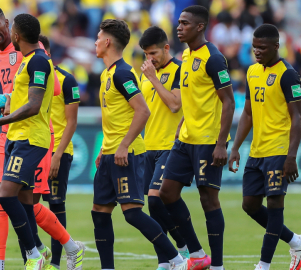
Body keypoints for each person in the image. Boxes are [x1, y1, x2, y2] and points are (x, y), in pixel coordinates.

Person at [0, 13, 84, 270]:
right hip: (12, 135)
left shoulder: (38, 59)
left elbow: (36, 102)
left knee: (11, 197)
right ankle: (49, 250)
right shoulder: (16, 60)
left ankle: (36, 252)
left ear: (13, 30)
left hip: (33, 137)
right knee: (11, 198)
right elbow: (19, 98)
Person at [92, 19, 188, 270]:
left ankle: (177, 260)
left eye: (98, 37)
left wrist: (123, 146)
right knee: (99, 212)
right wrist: (104, 148)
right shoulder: (107, 73)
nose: (95, 42)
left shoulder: (123, 73)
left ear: (108, 42)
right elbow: (115, 117)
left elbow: (142, 111)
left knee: (132, 213)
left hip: (126, 154)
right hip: (110, 153)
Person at [228, 23, 301, 270]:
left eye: (262, 47)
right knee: (249, 205)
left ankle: (263, 265)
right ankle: (296, 241)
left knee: (275, 204)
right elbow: (248, 112)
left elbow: (297, 117)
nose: (257, 51)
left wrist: (291, 156)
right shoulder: (252, 72)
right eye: (254, 47)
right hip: (256, 151)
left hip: (279, 150)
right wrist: (235, 147)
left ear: (276, 46)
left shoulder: (288, 74)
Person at [159, 5, 236, 270]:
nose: (178, 27)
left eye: (184, 23)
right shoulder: (185, 55)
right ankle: (198, 253)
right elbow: (190, 99)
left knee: (208, 199)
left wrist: (221, 143)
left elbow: (228, 102)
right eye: (178, 23)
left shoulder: (214, 58)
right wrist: (181, 125)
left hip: (207, 141)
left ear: (200, 26)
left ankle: (218, 265)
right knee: (166, 193)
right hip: (185, 140)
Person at [138, 26, 188, 270]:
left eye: (154, 53)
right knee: (152, 206)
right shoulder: (145, 74)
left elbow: (175, 105)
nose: (150, 59)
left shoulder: (179, 70)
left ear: (167, 48)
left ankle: (182, 246)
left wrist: (153, 79)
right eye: (146, 54)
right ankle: (165, 260)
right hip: (149, 147)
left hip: (171, 146)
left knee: (157, 201)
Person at [37, 34, 80, 270]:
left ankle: (54, 263)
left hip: (58, 153)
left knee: (55, 205)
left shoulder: (66, 80)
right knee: (22, 203)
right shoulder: (30, 78)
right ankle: (38, 249)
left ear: (49, 53)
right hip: (34, 148)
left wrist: (57, 154)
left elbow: (71, 122)